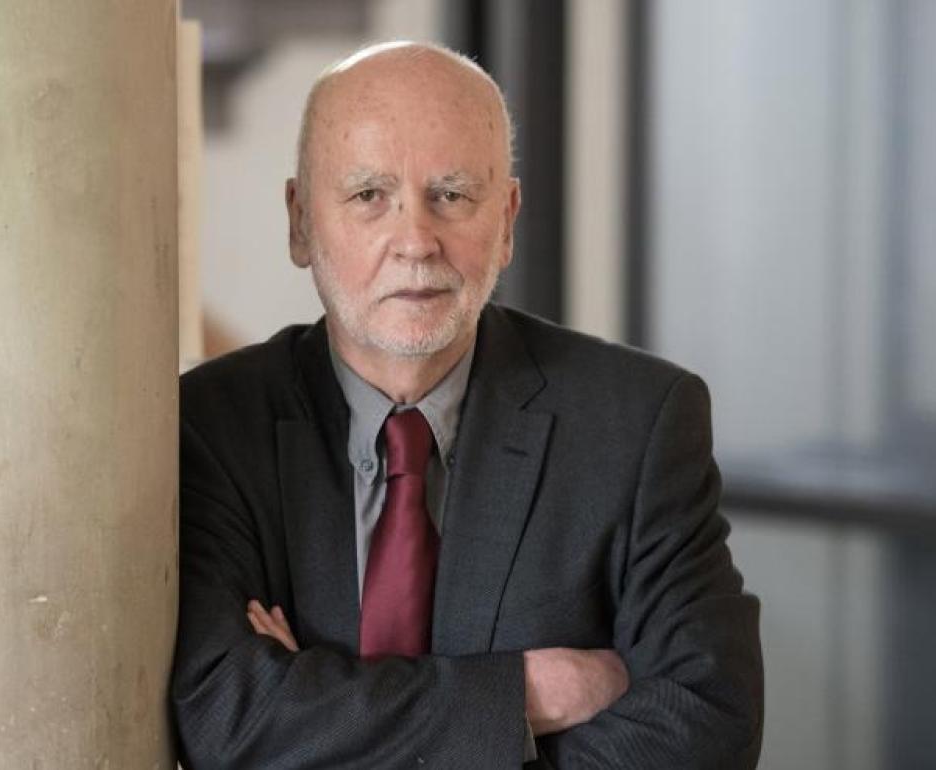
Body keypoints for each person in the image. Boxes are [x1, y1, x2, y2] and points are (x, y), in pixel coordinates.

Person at [171, 41, 763, 769]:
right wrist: (525, 694)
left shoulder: (639, 423)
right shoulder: (209, 427)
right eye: (369, 196)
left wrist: (311, 706)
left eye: (451, 195)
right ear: (300, 222)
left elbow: (708, 722)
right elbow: (224, 720)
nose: (416, 242)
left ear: (506, 220)